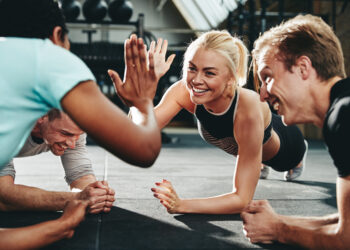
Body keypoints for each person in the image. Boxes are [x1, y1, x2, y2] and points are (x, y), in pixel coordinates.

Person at [0, 0, 161, 248]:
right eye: (67, 42)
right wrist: (141, 103)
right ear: (57, 36)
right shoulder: (49, 57)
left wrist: (92, 195)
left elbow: (80, 177)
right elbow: (145, 150)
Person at [110, 30, 307, 215]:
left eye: (209, 73)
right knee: (250, 153)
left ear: (231, 78)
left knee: (277, 161)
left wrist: (182, 205)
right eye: (192, 69)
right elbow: (135, 135)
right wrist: (139, 99)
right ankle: (256, 160)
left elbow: (242, 199)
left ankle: (288, 158)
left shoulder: (247, 108)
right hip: (250, 139)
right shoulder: (183, 91)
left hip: (286, 149)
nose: (196, 80)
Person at [240, 14, 350, 249]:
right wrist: (280, 221)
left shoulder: (344, 116)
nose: (263, 95)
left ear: (303, 68)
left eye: (267, 77)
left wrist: (278, 230)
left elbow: (346, 239)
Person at [0, 109, 115, 214]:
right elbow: (4, 197)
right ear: (41, 117)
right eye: (65, 133)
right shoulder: (5, 123)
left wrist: (94, 194)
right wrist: (75, 199)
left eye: (77, 135)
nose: (72, 144)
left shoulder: (72, 127)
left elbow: (81, 176)